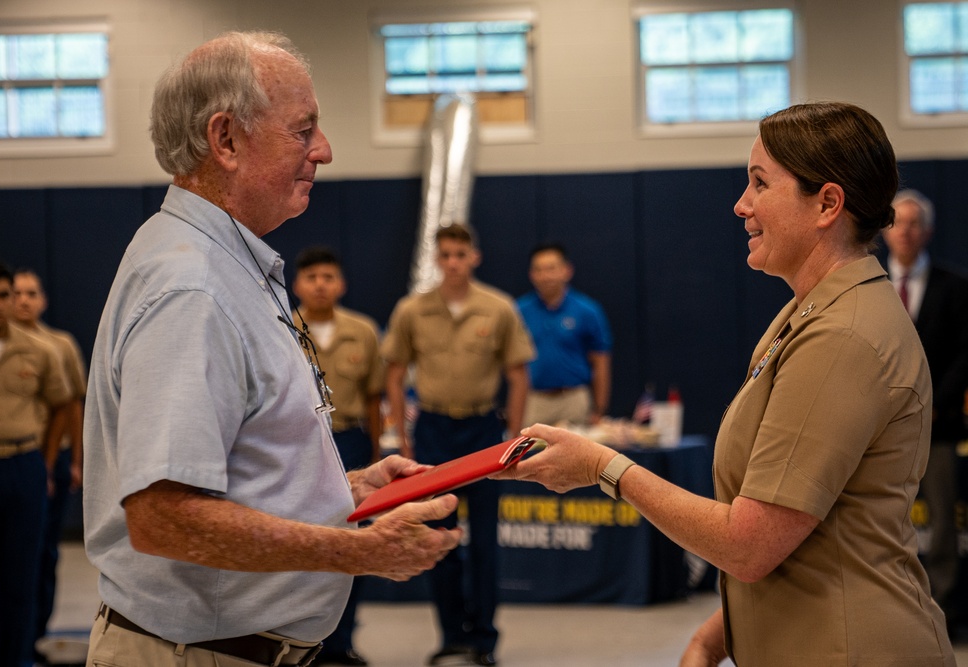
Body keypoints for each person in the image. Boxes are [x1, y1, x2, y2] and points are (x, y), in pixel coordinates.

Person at [497, 102, 957, 665]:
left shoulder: (843, 337)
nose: (742, 205)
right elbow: (818, 529)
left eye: (760, 184)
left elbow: (751, 543)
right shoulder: (810, 313)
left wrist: (604, 467)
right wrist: (717, 633)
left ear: (828, 204)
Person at [83, 31, 461, 667]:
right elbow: (164, 516)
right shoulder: (192, 287)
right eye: (302, 130)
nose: (325, 151)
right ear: (225, 140)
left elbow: (238, 471)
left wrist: (348, 492)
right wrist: (357, 551)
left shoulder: (221, 262)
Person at [381, 223, 535, 666]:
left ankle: (484, 640)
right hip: (433, 430)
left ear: (474, 257)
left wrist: (515, 440)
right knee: (439, 538)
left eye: (460, 254)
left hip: (483, 431)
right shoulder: (412, 310)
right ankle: (451, 635)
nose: (453, 263)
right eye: (445, 255)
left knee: (485, 543)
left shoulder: (498, 307)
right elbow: (394, 374)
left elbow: (518, 374)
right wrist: (405, 439)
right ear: (436, 259)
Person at [0, 259, 71, 667]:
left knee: (23, 569)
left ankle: (19, 658)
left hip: (24, 465)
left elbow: (62, 405)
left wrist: (45, 465)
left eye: (3, 295)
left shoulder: (41, 350)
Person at [292, 246, 384, 667]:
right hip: (297, 445)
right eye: (312, 277)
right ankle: (298, 642)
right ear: (298, 285)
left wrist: (376, 451)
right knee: (298, 541)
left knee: (351, 542)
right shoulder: (282, 326)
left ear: (341, 284)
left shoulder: (363, 331)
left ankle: (342, 641)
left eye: (328, 277)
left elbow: (373, 396)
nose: (320, 284)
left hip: (350, 443)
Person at [882, 189, 968, 630]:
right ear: (884, 229)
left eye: (915, 223)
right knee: (884, 525)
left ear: (928, 231)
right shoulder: (867, 288)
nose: (906, 231)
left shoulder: (955, 287)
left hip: (939, 429)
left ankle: (947, 611)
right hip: (879, 435)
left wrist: (933, 406)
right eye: (898, 222)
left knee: (942, 524)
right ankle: (898, 613)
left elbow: (964, 357)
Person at [12, 268, 88, 661]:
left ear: (43, 300)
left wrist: (76, 460)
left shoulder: (59, 345)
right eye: (16, 292)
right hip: (11, 459)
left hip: (52, 459)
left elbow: (73, 405)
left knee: (44, 552)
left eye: (31, 293)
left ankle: (35, 635)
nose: (23, 300)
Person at [517, 243, 612, 426]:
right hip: (534, 400)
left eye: (551, 268)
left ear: (567, 271)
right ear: (531, 274)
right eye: (539, 270)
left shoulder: (587, 311)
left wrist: (599, 409)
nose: (545, 276)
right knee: (532, 454)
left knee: (577, 454)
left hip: (573, 399)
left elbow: (601, 362)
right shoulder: (519, 311)